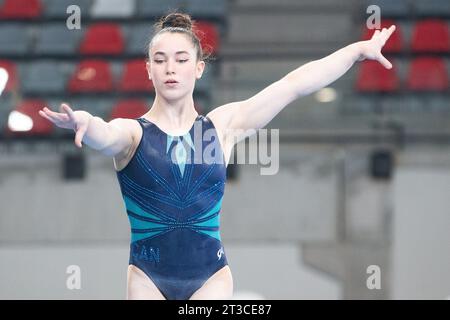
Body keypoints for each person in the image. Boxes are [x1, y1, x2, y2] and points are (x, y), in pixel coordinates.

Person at [39, 12, 395, 300]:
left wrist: (355, 52)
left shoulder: (222, 127)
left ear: (198, 67)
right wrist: (85, 121)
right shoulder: (134, 134)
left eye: (181, 59)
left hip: (210, 277)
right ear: (148, 70)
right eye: (159, 60)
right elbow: (106, 132)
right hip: (146, 278)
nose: (170, 68)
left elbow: (292, 85)